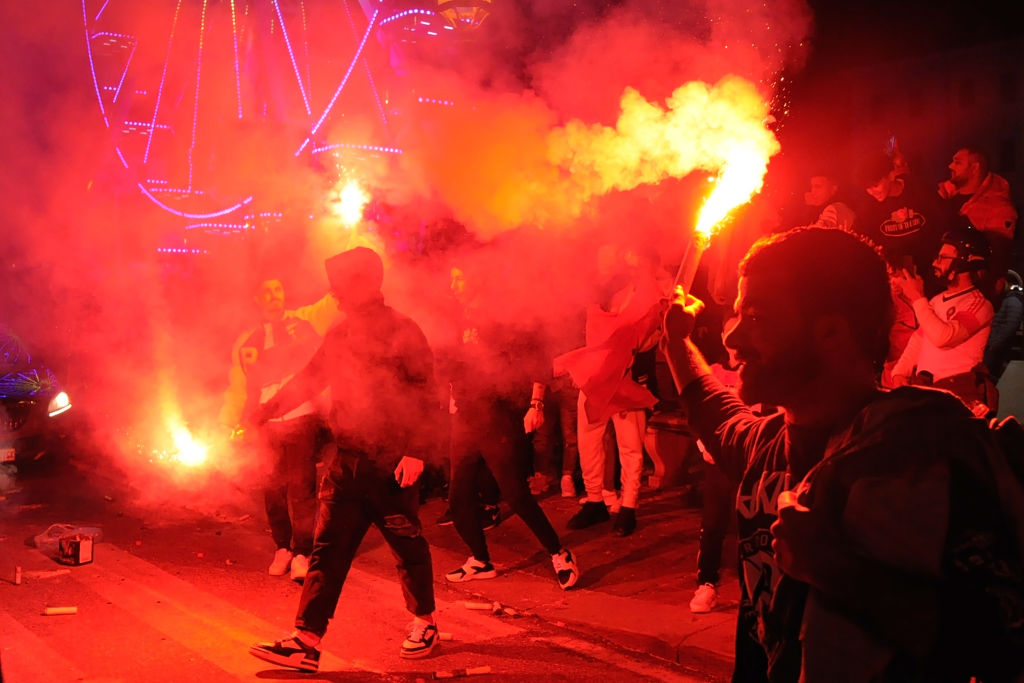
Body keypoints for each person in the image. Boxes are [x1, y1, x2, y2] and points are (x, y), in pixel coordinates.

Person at [663, 227, 1024, 682]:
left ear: (831, 332)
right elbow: (715, 413)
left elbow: (997, 640)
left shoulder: (925, 452)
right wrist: (676, 342)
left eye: (756, 316)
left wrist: (835, 567)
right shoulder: (767, 445)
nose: (732, 338)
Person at [248, 247, 442, 672]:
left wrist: (417, 452)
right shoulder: (342, 333)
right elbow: (311, 377)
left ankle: (424, 621)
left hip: (391, 463)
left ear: (362, 285)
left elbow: (430, 393)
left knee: (406, 545)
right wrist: (267, 409)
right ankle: (307, 640)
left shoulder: (403, 330)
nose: (333, 294)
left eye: (339, 286)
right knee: (327, 550)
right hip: (348, 461)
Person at [441, 262, 580, 590]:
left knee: (515, 493)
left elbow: (536, 357)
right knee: (458, 497)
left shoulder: (501, 317)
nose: (453, 287)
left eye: (458, 278)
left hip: (498, 415)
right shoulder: (457, 319)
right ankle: (480, 558)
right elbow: (453, 363)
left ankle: (559, 553)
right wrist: (451, 396)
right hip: (466, 417)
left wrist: (536, 403)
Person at [220, 277, 327, 583]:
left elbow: (313, 364)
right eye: (266, 292)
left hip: (299, 416)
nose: (274, 296)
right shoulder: (249, 340)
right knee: (272, 488)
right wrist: (243, 422)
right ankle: (283, 547)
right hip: (266, 423)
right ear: (257, 299)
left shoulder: (301, 328)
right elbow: (250, 386)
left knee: (302, 489)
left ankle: (303, 552)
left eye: (278, 290)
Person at [559, 247, 664, 537]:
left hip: (626, 382)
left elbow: (650, 341)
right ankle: (595, 501)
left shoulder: (657, 295)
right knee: (587, 444)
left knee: (630, 446)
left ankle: (628, 505)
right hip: (593, 381)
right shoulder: (606, 295)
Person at [889, 227, 997, 416]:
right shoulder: (936, 301)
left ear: (965, 261)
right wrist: (900, 372)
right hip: (929, 392)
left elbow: (944, 337)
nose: (935, 263)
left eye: (943, 257)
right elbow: (919, 340)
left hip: (961, 396)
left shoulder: (979, 304)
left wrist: (916, 298)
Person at [937, 146, 1017, 277]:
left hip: (970, 286)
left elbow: (998, 257)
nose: (950, 166)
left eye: (957, 162)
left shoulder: (998, 209)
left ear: (974, 168)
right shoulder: (942, 196)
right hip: (940, 279)